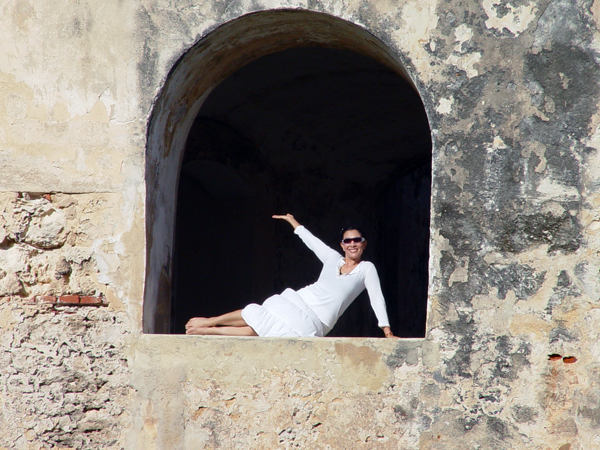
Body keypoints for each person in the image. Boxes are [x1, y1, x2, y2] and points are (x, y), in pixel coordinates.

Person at [185, 214, 396, 338]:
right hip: (299, 300)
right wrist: (292, 222)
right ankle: (210, 321)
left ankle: (210, 331)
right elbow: (312, 241)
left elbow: (377, 298)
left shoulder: (367, 269)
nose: (352, 244)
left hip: (316, 321)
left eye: (357, 240)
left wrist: (386, 331)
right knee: (254, 313)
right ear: (342, 245)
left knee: (258, 332)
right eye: (347, 241)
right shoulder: (332, 258)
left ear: (364, 243)